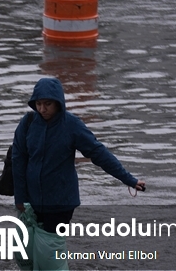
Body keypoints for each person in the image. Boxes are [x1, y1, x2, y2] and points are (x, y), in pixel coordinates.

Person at [12, 77, 145, 232]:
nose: (42, 109)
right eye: (39, 104)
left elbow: (98, 153)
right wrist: (20, 199)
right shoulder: (28, 123)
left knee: (52, 245)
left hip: (60, 203)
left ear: (58, 103)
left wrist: (129, 179)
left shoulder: (72, 125)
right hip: (30, 201)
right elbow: (18, 161)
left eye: (47, 104)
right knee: (26, 245)